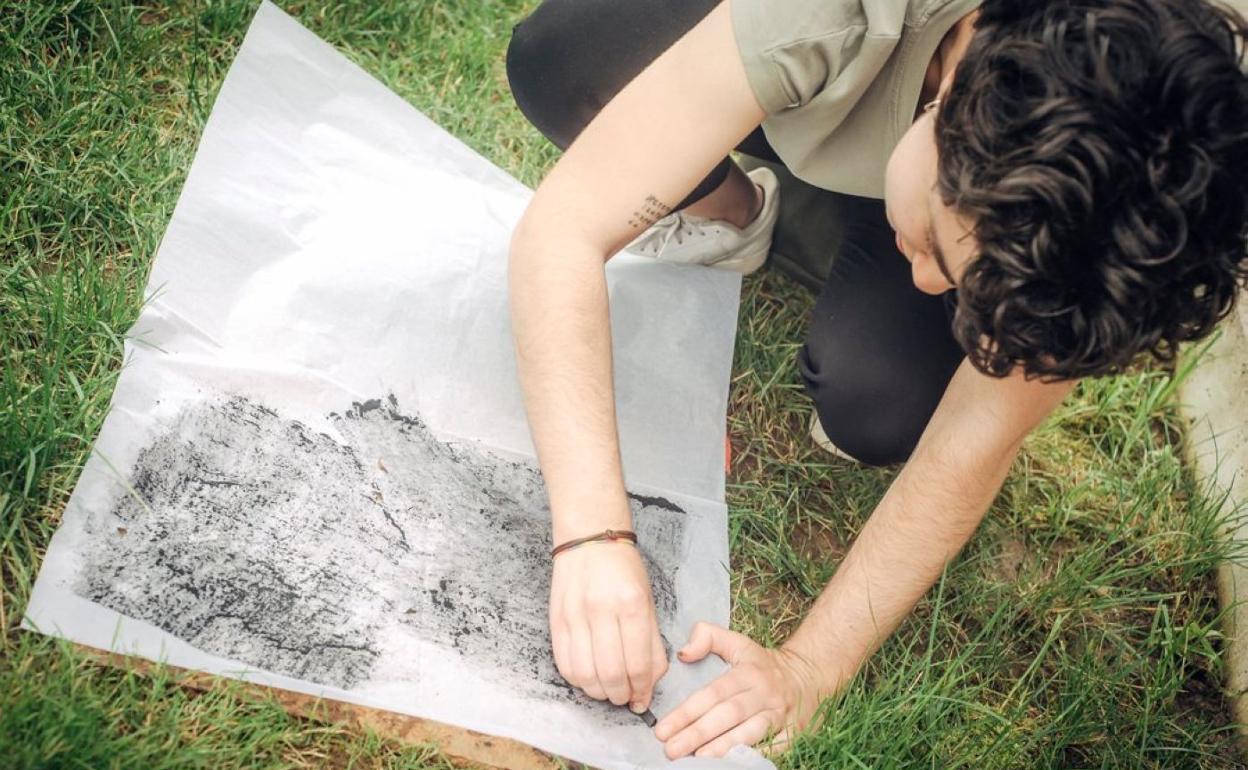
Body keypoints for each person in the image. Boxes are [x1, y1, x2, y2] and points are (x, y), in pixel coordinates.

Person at [504, 0, 1248, 760]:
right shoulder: (833, 13)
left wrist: (807, 669)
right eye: (931, 241)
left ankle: (821, 194)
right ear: (953, 96)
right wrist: (594, 536)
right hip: (814, 53)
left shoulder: (1153, 170)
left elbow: (976, 434)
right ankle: (737, 201)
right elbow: (562, 230)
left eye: (960, 279)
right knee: (562, 64)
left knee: (878, 404)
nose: (930, 284)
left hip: (909, 138)